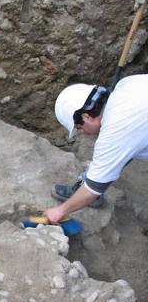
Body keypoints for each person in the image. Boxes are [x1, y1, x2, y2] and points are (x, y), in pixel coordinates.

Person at [44, 74, 148, 223]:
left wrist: (59, 211)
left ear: (86, 117)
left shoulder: (116, 128)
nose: (84, 132)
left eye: (80, 127)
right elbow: (126, 147)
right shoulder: (127, 85)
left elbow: (93, 188)